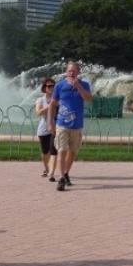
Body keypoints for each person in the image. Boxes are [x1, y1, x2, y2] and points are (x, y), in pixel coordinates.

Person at [47, 62, 92, 192]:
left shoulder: (84, 85)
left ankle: (66, 172)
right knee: (61, 150)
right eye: (69, 71)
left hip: (77, 125)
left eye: (74, 71)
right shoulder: (60, 85)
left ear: (78, 72)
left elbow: (88, 99)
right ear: (66, 72)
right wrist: (50, 122)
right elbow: (52, 104)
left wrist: (78, 87)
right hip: (62, 124)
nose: (71, 73)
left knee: (72, 152)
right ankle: (61, 178)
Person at [34, 77, 58, 182]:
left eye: (53, 86)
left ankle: (52, 171)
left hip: (56, 127)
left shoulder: (58, 99)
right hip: (43, 129)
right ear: (44, 88)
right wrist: (50, 106)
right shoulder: (40, 100)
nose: (51, 88)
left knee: (54, 150)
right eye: (49, 86)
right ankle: (46, 168)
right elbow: (39, 112)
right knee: (45, 152)